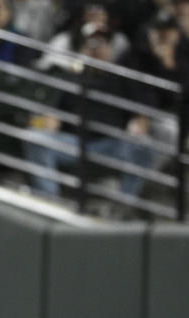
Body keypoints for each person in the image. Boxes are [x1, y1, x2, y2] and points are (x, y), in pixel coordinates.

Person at [23, 25, 157, 202]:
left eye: (103, 44)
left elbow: (142, 113)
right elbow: (53, 116)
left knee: (145, 146)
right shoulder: (72, 77)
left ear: (110, 49)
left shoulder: (121, 77)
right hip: (75, 143)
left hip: (112, 144)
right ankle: (52, 200)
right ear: (83, 48)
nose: (97, 49)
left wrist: (139, 125)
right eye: (92, 44)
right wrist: (43, 124)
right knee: (34, 138)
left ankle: (124, 202)